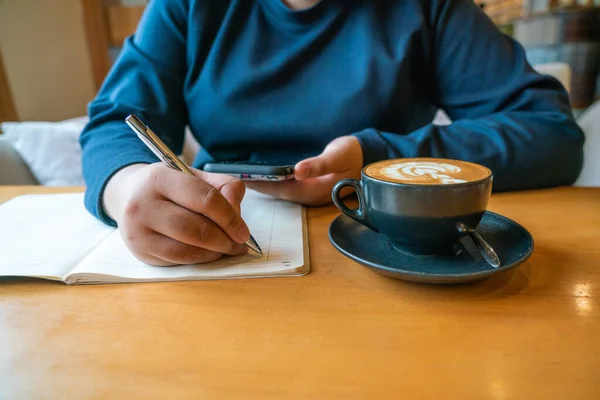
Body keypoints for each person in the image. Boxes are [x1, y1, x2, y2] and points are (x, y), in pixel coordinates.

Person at [79, 0, 585, 266]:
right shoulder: (186, 6)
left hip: (392, 241)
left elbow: (550, 133)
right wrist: (127, 185)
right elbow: (116, 119)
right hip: (219, 228)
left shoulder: (431, 8)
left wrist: (380, 159)